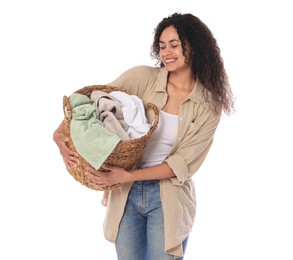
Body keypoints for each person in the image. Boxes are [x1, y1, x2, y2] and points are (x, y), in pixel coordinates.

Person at [53, 12, 234, 260]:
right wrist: (59, 133)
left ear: (194, 46)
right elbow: (94, 100)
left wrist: (128, 175)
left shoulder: (208, 105)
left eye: (174, 45)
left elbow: (182, 163)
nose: (166, 52)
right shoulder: (142, 77)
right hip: (125, 195)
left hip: (168, 198)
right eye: (161, 46)